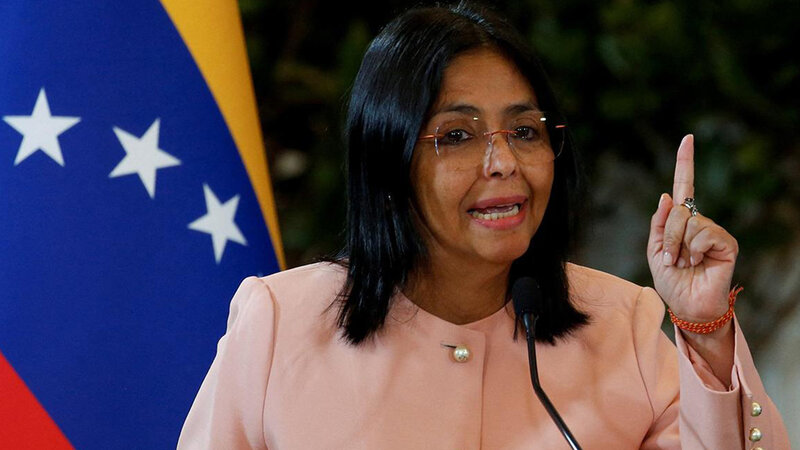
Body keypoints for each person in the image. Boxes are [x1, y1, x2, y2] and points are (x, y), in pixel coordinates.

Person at [178, 2, 789, 448]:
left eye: (524, 131)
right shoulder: (279, 324)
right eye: (456, 136)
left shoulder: (620, 324)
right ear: (388, 160)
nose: (504, 163)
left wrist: (706, 328)